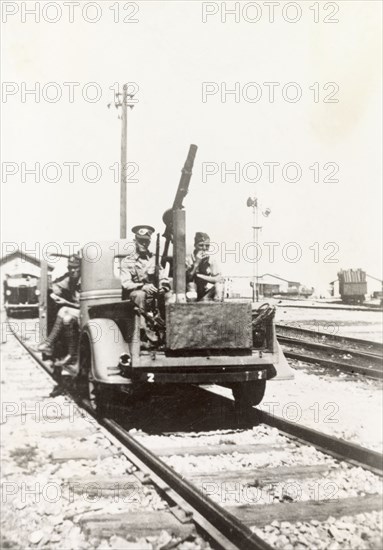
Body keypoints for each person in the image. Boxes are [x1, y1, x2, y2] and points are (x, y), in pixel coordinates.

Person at [120, 225, 170, 344]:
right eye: (140, 241)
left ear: (149, 242)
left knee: (170, 296)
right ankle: (144, 335)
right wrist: (142, 286)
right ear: (135, 241)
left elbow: (163, 277)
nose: (143, 244)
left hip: (154, 296)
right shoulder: (127, 261)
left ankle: (169, 332)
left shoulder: (155, 259)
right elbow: (126, 283)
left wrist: (163, 287)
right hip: (137, 299)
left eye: (146, 241)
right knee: (139, 295)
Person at [38, 253, 81, 370]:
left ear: (81, 268)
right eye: (70, 268)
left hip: (90, 314)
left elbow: (82, 304)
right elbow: (56, 285)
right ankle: (71, 355)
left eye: (75, 268)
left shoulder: (87, 280)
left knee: (64, 309)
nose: (72, 270)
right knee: (66, 317)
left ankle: (49, 343)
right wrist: (54, 290)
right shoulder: (71, 279)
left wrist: (66, 302)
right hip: (79, 313)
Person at [186, 232, 224, 301]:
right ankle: (191, 308)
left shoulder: (211, 260)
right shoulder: (188, 259)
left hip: (205, 293)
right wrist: (196, 263)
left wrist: (199, 275)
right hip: (191, 292)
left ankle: (217, 308)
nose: (204, 248)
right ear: (195, 245)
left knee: (219, 286)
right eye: (201, 245)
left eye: (207, 246)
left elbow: (219, 279)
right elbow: (188, 278)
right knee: (191, 285)